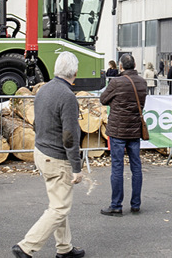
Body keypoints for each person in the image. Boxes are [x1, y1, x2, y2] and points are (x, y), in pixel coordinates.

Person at [12, 51, 85, 258]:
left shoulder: (43, 90)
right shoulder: (68, 96)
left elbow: (37, 122)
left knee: (57, 203)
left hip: (41, 151)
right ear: (75, 72)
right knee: (60, 208)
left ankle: (65, 248)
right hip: (56, 157)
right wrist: (77, 168)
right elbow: (70, 136)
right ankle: (27, 246)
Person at [99, 54, 147, 216]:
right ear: (134, 65)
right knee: (136, 167)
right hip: (134, 129)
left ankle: (116, 205)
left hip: (118, 130)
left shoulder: (116, 82)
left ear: (120, 67)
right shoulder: (142, 82)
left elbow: (103, 99)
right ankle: (136, 204)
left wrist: (115, 102)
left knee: (117, 167)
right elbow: (142, 103)